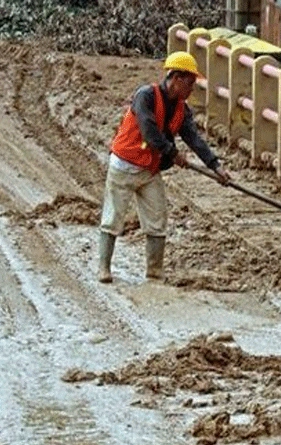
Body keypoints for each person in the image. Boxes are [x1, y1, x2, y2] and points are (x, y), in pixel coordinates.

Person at [97, 51, 231, 284]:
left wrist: (215, 166)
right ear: (176, 78)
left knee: (157, 219)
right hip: (125, 164)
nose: (191, 90)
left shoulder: (181, 109)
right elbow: (149, 131)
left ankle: (155, 270)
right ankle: (104, 268)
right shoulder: (145, 96)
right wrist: (173, 153)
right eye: (189, 83)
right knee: (113, 216)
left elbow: (194, 139)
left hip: (150, 170)